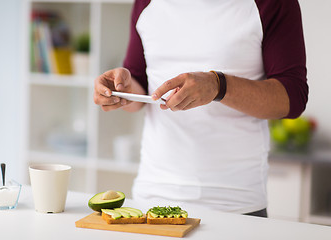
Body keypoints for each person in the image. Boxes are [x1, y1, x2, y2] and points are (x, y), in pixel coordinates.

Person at [93, 0, 308, 217]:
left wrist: (219, 85)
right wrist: (123, 91)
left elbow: (291, 98)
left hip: (236, 203)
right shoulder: (145, 3)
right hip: (153, 195)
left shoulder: (273, 3)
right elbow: (140, 86)